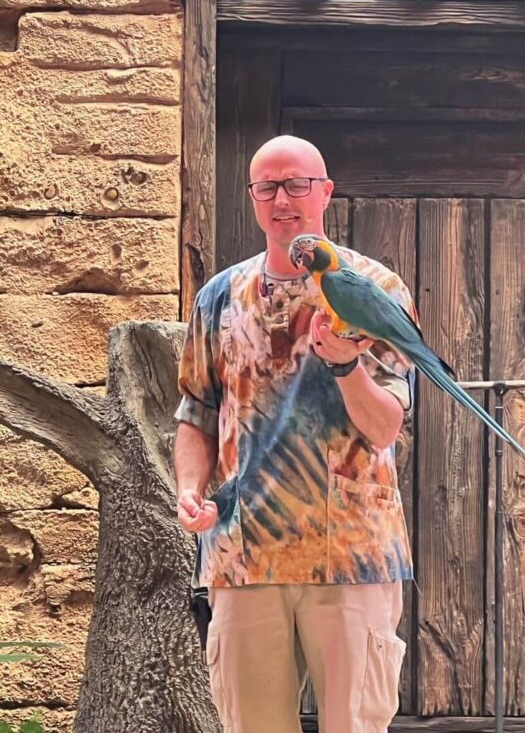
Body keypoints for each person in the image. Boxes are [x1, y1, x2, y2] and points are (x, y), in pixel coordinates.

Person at [173, 135, 418, 733]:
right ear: (254, 199)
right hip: (242, 557)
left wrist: (345, 366)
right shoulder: (217, 298)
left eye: (297, 184)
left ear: (325, 193)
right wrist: (189, 492)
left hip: (352, 554)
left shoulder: (375, 290)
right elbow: (196, 414)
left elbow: (386, 425)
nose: (283, 199)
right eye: (268, 187)